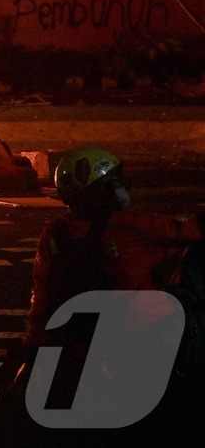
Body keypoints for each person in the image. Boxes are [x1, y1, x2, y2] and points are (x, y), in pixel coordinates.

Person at [25, 146, 203, 371]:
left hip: (81, 339)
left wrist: (34, 347)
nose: (123, 187)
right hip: (149, 330)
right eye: (116, 182)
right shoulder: (131, 226)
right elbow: (191, 230)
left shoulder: (55, 233)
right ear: (101, 191)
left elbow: (42, 293)